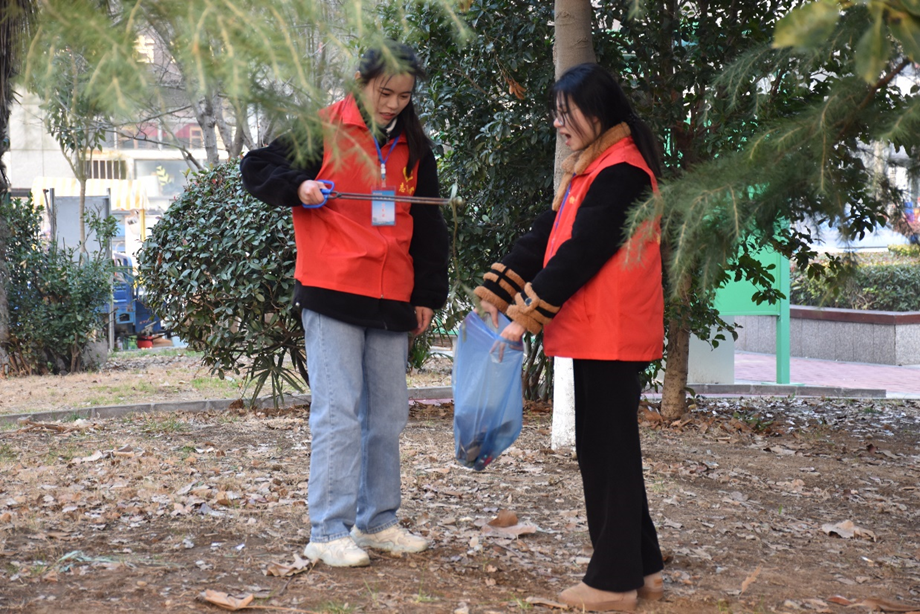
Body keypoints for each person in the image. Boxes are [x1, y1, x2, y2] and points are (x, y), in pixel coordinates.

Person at [240, 41, 449, 568]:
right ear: (361, 80)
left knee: (386, 415)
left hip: (391, 298)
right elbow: (257, 167)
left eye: (404, 95)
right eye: (386, 92)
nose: (394, 103)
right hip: (333, 292)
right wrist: (301, 186)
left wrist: (427, 294)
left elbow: (428, 225)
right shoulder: (321, 128)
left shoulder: (413, 146)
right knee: (337, 413)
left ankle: (377, 520)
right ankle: (327, 529)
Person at [475, 63, 665, 611]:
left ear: (597, 112)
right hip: (598, 332)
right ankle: (644, 569)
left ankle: (613, 583)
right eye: (556, 114)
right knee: (609, 453)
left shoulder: (622, 173)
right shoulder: (593, 168)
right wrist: (496, 290)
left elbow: (580, 254)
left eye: (567, 114)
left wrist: (523, 315)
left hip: (612, 332)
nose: (558, 124)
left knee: (608, 456)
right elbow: (547, 236)